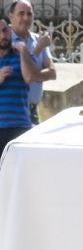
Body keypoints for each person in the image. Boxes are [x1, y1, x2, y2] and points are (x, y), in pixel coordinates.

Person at [0, 12, 41, 160]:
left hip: (20, 126)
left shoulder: (21, 55)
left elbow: (30, 77)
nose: (3, 35)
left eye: (5, 30)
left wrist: (24, 51)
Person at [5, 0, 55, 121]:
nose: (26, 18)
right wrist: (38, 49)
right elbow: (25, 75)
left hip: (33, 111)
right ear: (11, 17)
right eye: (21, 13)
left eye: (29, 14)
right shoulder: (5, 40)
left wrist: (34, 75)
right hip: (11, 112)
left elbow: (52, 73)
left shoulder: (38, 39)